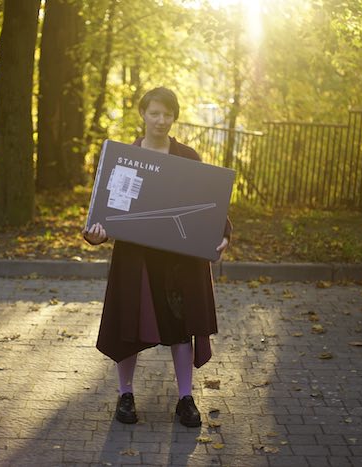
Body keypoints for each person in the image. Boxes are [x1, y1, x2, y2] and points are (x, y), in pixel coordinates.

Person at [82, 87, 232, 427]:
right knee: (129, 328)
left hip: (178, 261)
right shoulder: (124, 159)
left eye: (167, 114)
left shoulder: (187, 157)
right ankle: (125, 395)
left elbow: (209, 203)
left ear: (174, 117)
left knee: (180, 328)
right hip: (136, 260)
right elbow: (106, 211)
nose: (161, 120)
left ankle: (185, 399)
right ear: (143, 114)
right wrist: (95, 233)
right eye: (154, 113)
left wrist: (223, 233)